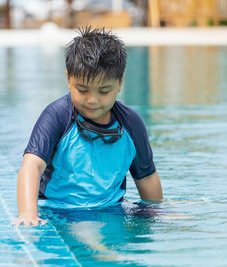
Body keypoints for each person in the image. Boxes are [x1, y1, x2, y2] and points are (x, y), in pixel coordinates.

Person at [13, 26, 163, 227]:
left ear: (119, 83)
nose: (92, 100)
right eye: (82, 90)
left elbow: (147, 177)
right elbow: (32, 165)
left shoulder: (131, 123)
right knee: (91, 238)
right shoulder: (57, 116)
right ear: (68, 79)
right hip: (61, 209)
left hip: (112, 208)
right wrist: (28, 214)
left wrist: (156, 213)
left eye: (104, 91)